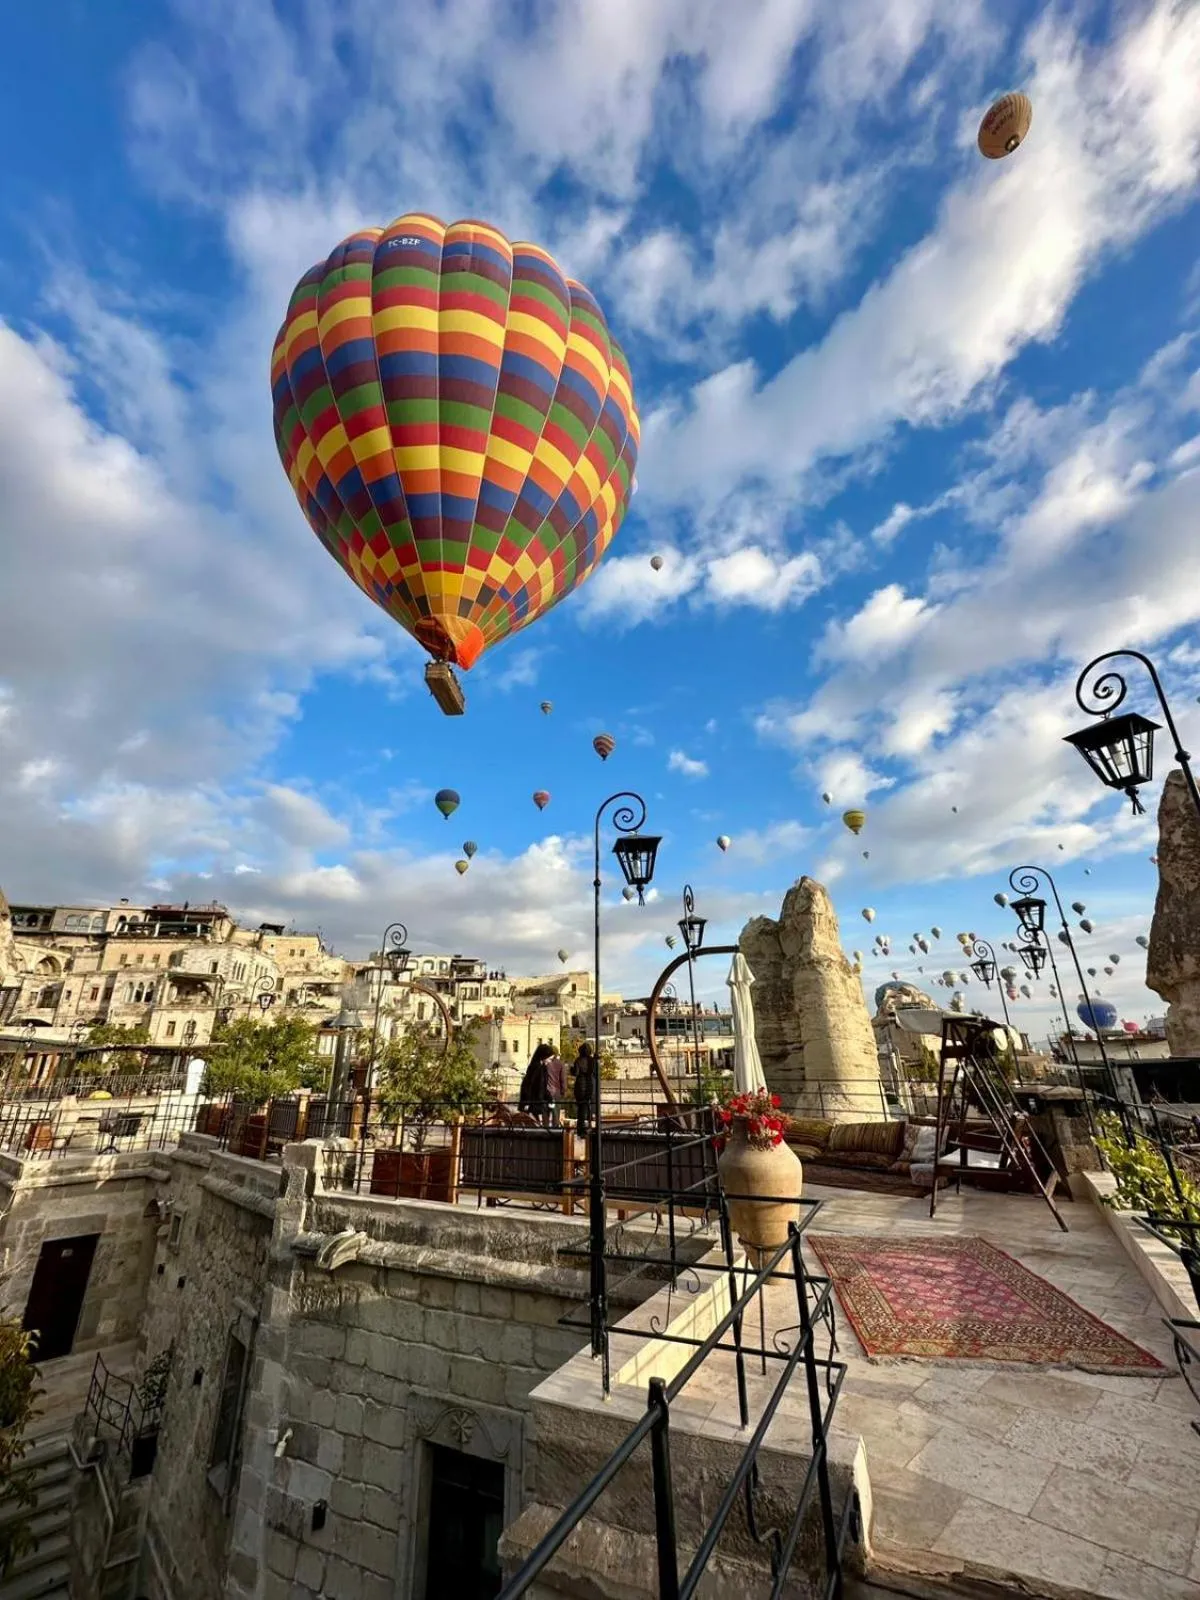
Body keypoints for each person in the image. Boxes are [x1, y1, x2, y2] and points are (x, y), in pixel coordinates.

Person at [572, 1041, 596, 1138]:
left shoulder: (578, 1060)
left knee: (581, 1109)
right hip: (590, 1085)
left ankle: (580, 1129)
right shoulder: (592, 1061)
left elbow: (576, 1073)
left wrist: (571, 1070)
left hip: (580, 1086)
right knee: (590, 1107)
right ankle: (590, 1128)